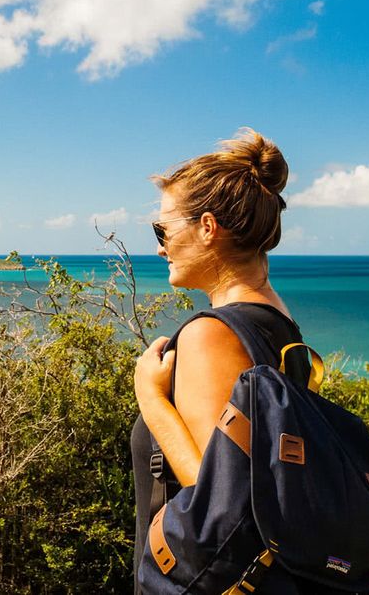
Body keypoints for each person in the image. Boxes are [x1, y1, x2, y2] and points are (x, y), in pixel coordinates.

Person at [130, 128, 309, 591]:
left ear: (207, 227)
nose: (159, 246)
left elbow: (216, 494)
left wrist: (150, 399)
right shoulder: (280, 323)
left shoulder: (213, 334)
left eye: (162, 229)